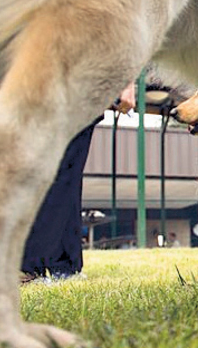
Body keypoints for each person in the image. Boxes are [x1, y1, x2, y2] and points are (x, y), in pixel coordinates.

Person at [21, 83, 136, 281]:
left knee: (64, 172)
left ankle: (39, 265)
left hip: (79, 85)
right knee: (61, 173)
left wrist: (126, 83)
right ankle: (60, 265)